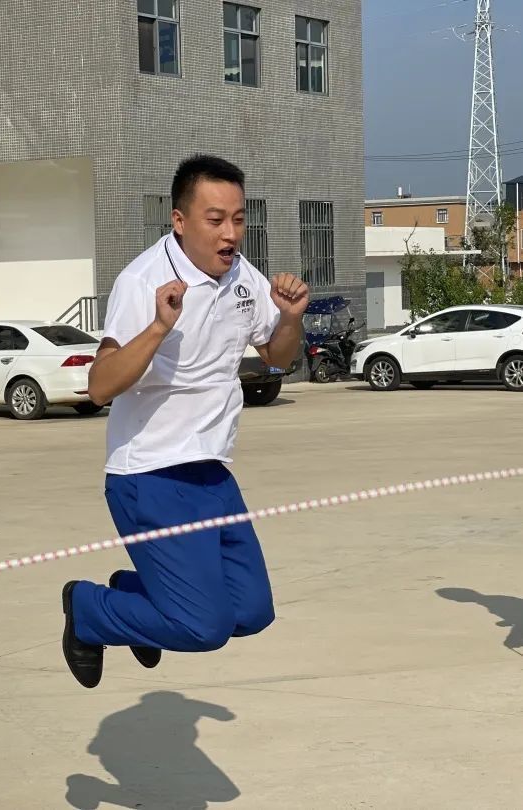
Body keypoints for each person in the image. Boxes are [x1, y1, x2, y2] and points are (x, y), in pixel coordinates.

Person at [62, 154, 309, 688]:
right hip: (149, 475)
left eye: (238, 219)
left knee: (252, 611)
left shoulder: (243, 276)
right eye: (215, 219)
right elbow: (100, 385)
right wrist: (158, 327)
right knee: (201, 627)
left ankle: (138, 596)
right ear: (179, 221)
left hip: (212, 473)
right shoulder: (142, 280)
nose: (230, 234)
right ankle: (87, 610)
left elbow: (277, 357)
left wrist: (290, 317)